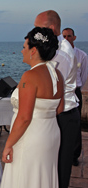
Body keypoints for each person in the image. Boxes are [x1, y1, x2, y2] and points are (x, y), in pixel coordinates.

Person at [0, 27, 64, 188]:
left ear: (33, 50)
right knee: (42, 177)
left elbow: (24, 118)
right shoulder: (57, 75)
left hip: (31, 137)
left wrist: (8, 145)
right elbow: (59, 108)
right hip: (51, 134)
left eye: (24, 47)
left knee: (24, 178)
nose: (22, 51)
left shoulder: (30, 76)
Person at [34, 10, 80, 188]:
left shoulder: (61, 53)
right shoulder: (53, 48)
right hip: (58, 112)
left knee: (61, 165)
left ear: (51, 28)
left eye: (38, 28)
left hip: (64, 114)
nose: (35, 32)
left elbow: (52, 89)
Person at [62, 27, 88, 166]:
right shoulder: (59, 54)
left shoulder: (82, 55)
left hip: (75, 92)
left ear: (74, 37)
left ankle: (74, 155)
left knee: (76, 125)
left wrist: (76, 88)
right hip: (61, 93)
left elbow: (83, 76)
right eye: (64, 36)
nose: (66, 39)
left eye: (69, 36)